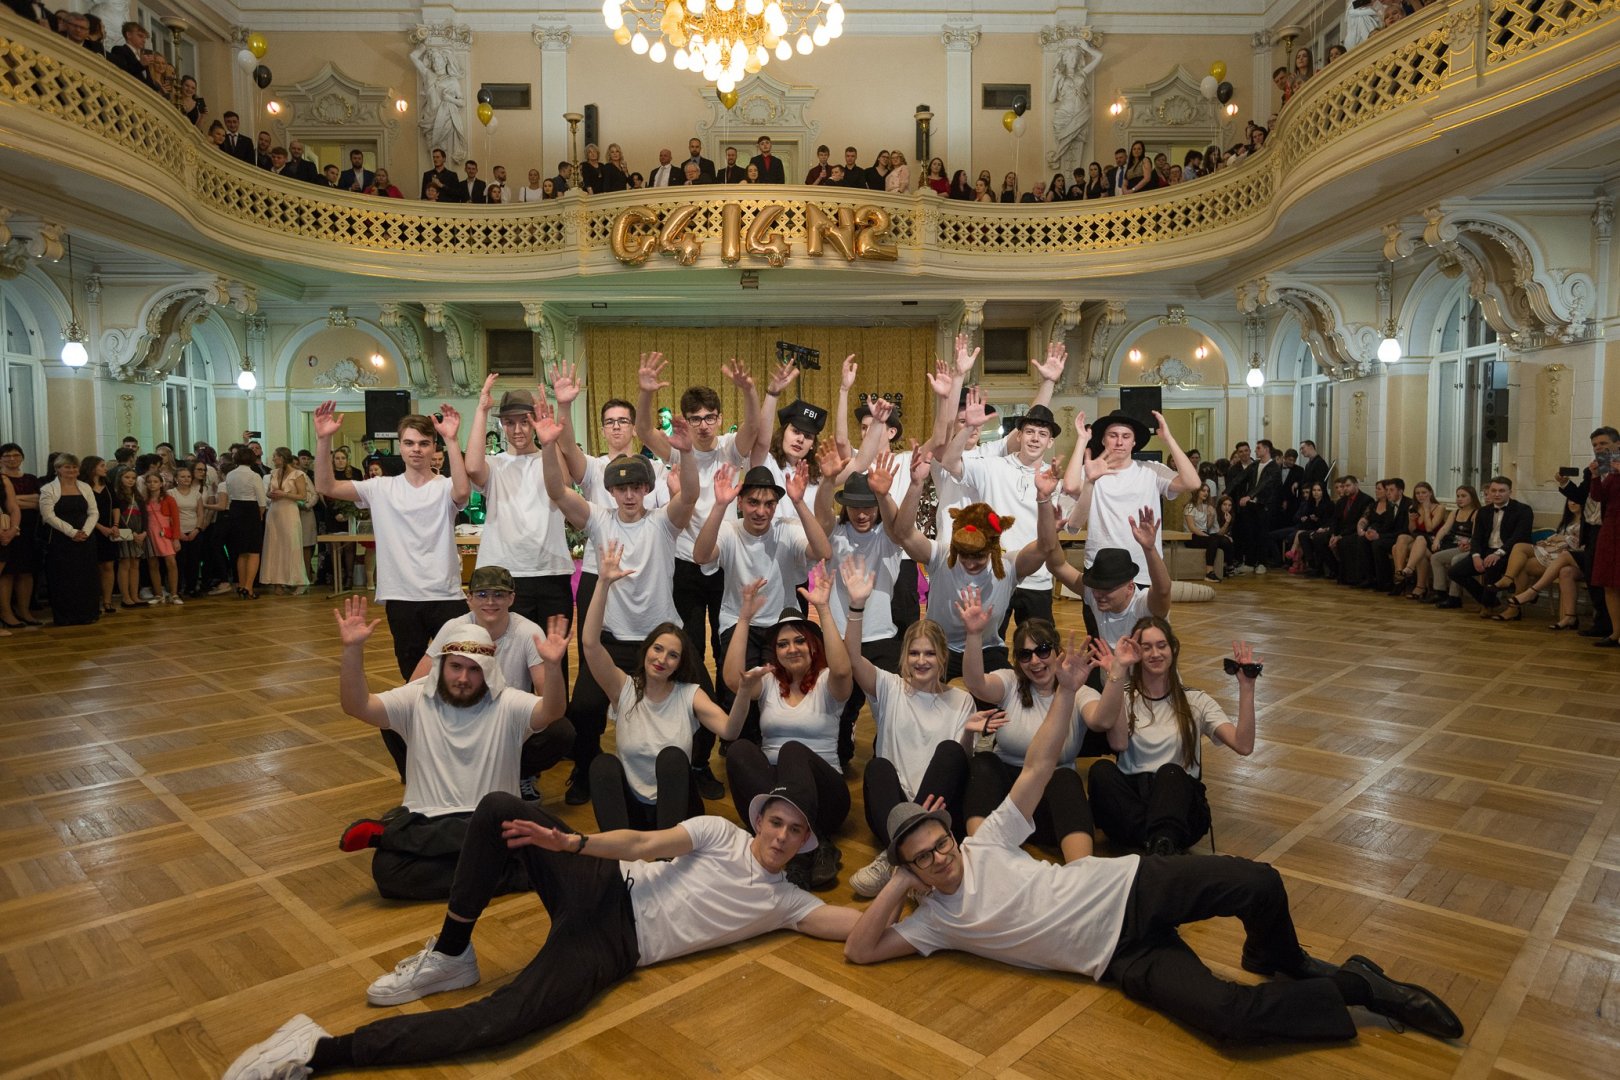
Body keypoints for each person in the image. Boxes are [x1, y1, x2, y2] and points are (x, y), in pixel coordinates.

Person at [842, 637, 1466, 1048]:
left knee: (1259, 881)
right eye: (924, 859)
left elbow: (1037, 768)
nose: (941, 858)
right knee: (1229, 1021)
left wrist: (1067, 691)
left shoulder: (987, 845)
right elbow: (860, 950)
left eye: (941, 844)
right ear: (912, 871)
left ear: (953, 836)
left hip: (1131, 887)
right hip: (1118, 960)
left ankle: (1279, 957)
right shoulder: (932, 924)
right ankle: (1362, 989)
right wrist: (900, 883)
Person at [224, 781, 858, 1078]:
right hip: (604, 881)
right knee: (502, 808)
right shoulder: (721, 833)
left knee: (504, 1022)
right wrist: (572, 843)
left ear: (805, 843)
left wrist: (908, 881)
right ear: (759, 820)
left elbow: (861, 932)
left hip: (612, 947)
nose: (780, 836)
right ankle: (452, 952)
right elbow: (642, 843)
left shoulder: (787, 902)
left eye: (794, 830)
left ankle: (321, 1050)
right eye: (775, 821)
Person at [328, 597, 568, 901]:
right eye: (456, 667)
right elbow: (357, 706)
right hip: (430, 818)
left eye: (474, 669)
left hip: (487, 822)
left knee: (493, 833)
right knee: (388, 873)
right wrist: (352, 650)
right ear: (441, 664)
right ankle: (507, 873)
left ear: (488, 671)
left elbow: (552, 711)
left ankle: (396, 834)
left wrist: (553, 667)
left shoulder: (507, 702)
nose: (463, 678)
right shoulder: (415, 698)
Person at [537, 398, 698, 805]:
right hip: (611, 641)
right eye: (621, 488)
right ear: (610, 491)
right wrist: (548, 446)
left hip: (661, 640)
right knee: (583, 710)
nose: (629, 495)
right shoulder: (599, 520)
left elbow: (690, 497)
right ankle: (586, 769)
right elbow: (556, 490)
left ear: (646, 489)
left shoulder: (662, 523)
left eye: (636, 487)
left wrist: (686, 452)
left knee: (704, 700)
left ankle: (694, 768)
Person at [315, 401, 472, 779]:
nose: (416, 449)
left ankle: (458, 750)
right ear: (399, 447)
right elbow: (326, 486)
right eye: (409, 443)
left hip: (446, 596)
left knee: (459, 676)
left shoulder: (445, 487)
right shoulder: (380, 488)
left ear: (433, 448)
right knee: (413, 683)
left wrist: (452, 440)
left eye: (424, 443)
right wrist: (324, 441)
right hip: (402, 599)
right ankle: (417, 762)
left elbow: (463, 490)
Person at [840, 555, 993, 898]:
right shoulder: (889, 687)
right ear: (904, 657)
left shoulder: (961, 700)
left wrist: (970, 733)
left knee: (950, 750)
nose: (921, 661)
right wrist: (856, 607)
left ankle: (898, 859)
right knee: (877, 767)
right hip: (893, 809)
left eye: (929, 654)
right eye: (914, 653)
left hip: (939, 811)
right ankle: (915, 856)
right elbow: (852, 658)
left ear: (942, 658)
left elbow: (957, 768)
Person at [581, 541, 753, 831]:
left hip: (678, 810)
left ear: (680, 663)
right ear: (646, 650)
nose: (662, 659)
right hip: (634, 810)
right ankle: (620, 850)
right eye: (658, 649)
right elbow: (590, 644)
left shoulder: (689, 694)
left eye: (673, 655)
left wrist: (744, 693)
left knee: (672, 758)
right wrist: (603, 584)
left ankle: (667, 850)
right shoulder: (624, 688)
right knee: (603, 766)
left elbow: (729, 730)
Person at [958, 596, 1113, 863]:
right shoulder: (1010, 682)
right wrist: (973, 635)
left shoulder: (1077, 691)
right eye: (1025, 654)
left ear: (1057, 651)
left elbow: (1101, 721)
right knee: (983, 763)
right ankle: (980, 859)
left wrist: (1115, 677)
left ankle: (1083, 871)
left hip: (1050, 802)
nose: (1035, 661)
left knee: (1066, 778)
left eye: (1042, 650)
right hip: (1006, 803)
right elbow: (976, 683)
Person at [723, 570, 852, 889]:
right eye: (783, 644)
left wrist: (823, 608)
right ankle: (797, 849)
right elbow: (732, 679)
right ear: (775, 652)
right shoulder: (767, 682)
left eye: (799, 641)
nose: (792, 649)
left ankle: (815, 842)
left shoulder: (827, 681)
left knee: (792, 750)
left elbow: (843, 669)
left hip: (825, 798)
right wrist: (744, 618)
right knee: (739, 750)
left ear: (813, 647)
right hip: (775, 791)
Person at [463, 376, 576, 634]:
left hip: (551, 570)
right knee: (507, 652)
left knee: (553, 651)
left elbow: (563, 483)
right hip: (504, 572)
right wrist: (481, 409)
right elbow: (472, 467)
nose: (517, 430)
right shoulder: (495, 464)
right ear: (502, 424)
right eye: (510, 422)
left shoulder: (548, 456)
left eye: (525, 422)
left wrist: (549, 439)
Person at [1064, 409, 1200, 586]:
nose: (1119, 442)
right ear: (1103, 440)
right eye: (1113, 435)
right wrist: (1082, 441)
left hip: (1144, 567)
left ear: (1134, 441)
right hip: (1100, 564)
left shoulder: (1151, 470)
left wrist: (1169, 439)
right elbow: (1070, 486)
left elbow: (1193, 483)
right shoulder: (1092, 470)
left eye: (1126, 436)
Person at [1447, 476, 1533, 613]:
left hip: (1509, 553)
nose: (1497, 494)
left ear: (1510, 492)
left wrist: (1498, 554)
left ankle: (1487, 606)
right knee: (1455, 572)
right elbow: (1476, 537)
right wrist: (1475, 556)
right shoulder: (1483, 511)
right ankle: (1490, 601)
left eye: (1501, 491)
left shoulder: (1523, 510)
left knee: (1491, 565)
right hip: (1486, 550)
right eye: (1493, 491)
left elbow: (1519, 537)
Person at [39, 453, 99, 626]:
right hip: (61, 539)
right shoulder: (48, 489)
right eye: (67, 467)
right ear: (58, 469)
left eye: (74, 467)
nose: (71, 470)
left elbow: (93, 512)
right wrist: (72, 532)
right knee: (63, 578)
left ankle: (87, 614)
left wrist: (85, 531)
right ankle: (65, 617)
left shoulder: (85, 487)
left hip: (85, 538)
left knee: (86, 577)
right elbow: (48, 516)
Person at [0, 442, 40, 627]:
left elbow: (39, 501)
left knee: (26, 571)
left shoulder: (31, 478)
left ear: (22, 457)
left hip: (28, 529)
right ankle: (6, 612)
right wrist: (26, 500)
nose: (12, 459)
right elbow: (8, 503)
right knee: (7, 573)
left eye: (16, 455)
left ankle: (24, 611)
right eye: (7, 455)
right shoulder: (2, 479)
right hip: (5, 529)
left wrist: (18, 500)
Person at [260, 447, 310, 594]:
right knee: (274, 547)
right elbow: (268, 491)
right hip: (274, 512)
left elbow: (303, 496)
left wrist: (284, 494)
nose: (273, 459)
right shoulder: (273, 473)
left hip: (289, 511)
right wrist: (271, 494)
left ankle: (298, 581)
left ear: (282, 457)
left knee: (291, 545)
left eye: (275, 456)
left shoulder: (298, 474)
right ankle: (277, 581)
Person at [221, 446, 267, 599]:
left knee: (241, 552)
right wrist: (260, 515)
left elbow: (229, 494)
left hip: (235, 509)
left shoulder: (230, 475)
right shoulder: (254, 475)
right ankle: (249, 587)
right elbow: (262, 500)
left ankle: (241, 585)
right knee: (254, 552)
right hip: (250, 510)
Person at [141, 472, 181, 605]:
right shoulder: (144, 500)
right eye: (149, 482)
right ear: (146, 484)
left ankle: (174, 594)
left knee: (171, 562)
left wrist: (176, 538)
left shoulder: (169, 499)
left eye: (155, 481)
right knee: (153, 564)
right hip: (150, 533)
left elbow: (175, 520)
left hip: (165, 534)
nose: (152, 484)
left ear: (161, 483)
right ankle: (158, 594)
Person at [1183, 486, 1233, 581]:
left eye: (1208, 491)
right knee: (1213, 540)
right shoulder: (1190, 506)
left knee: (1225, 540)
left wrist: (1211, 516)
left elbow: (1207, 527)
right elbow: (1192, 527)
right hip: (1191, 536)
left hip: (1203, 534)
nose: (1206, 493)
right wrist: (1206, 535)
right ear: (1197, 492)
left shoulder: (1206, 507)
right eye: (1203, 490)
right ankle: (1209, 573)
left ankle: (1228, 566)